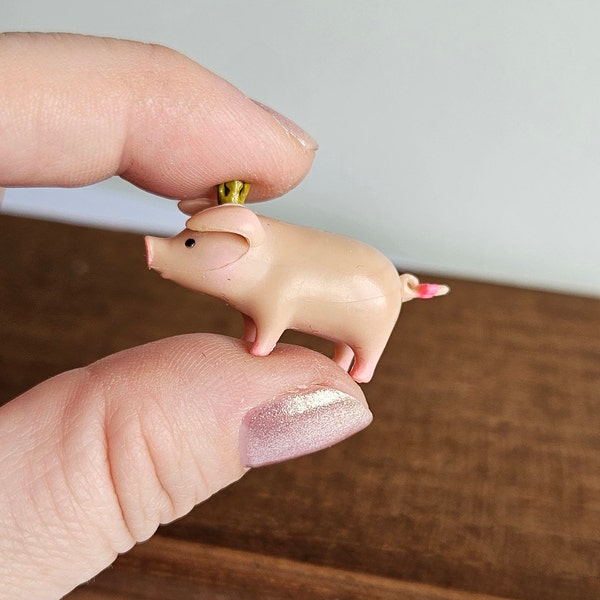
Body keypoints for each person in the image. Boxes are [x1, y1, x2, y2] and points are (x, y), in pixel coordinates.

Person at [0, 33, 372, 599]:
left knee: (329, 335)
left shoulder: (264, 267)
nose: (170, 251)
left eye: (193, 247)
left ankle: (360, 356)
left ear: (236, 245)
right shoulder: (251, 256)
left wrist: (263, 335)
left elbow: (274, 303)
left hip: (365, 289)